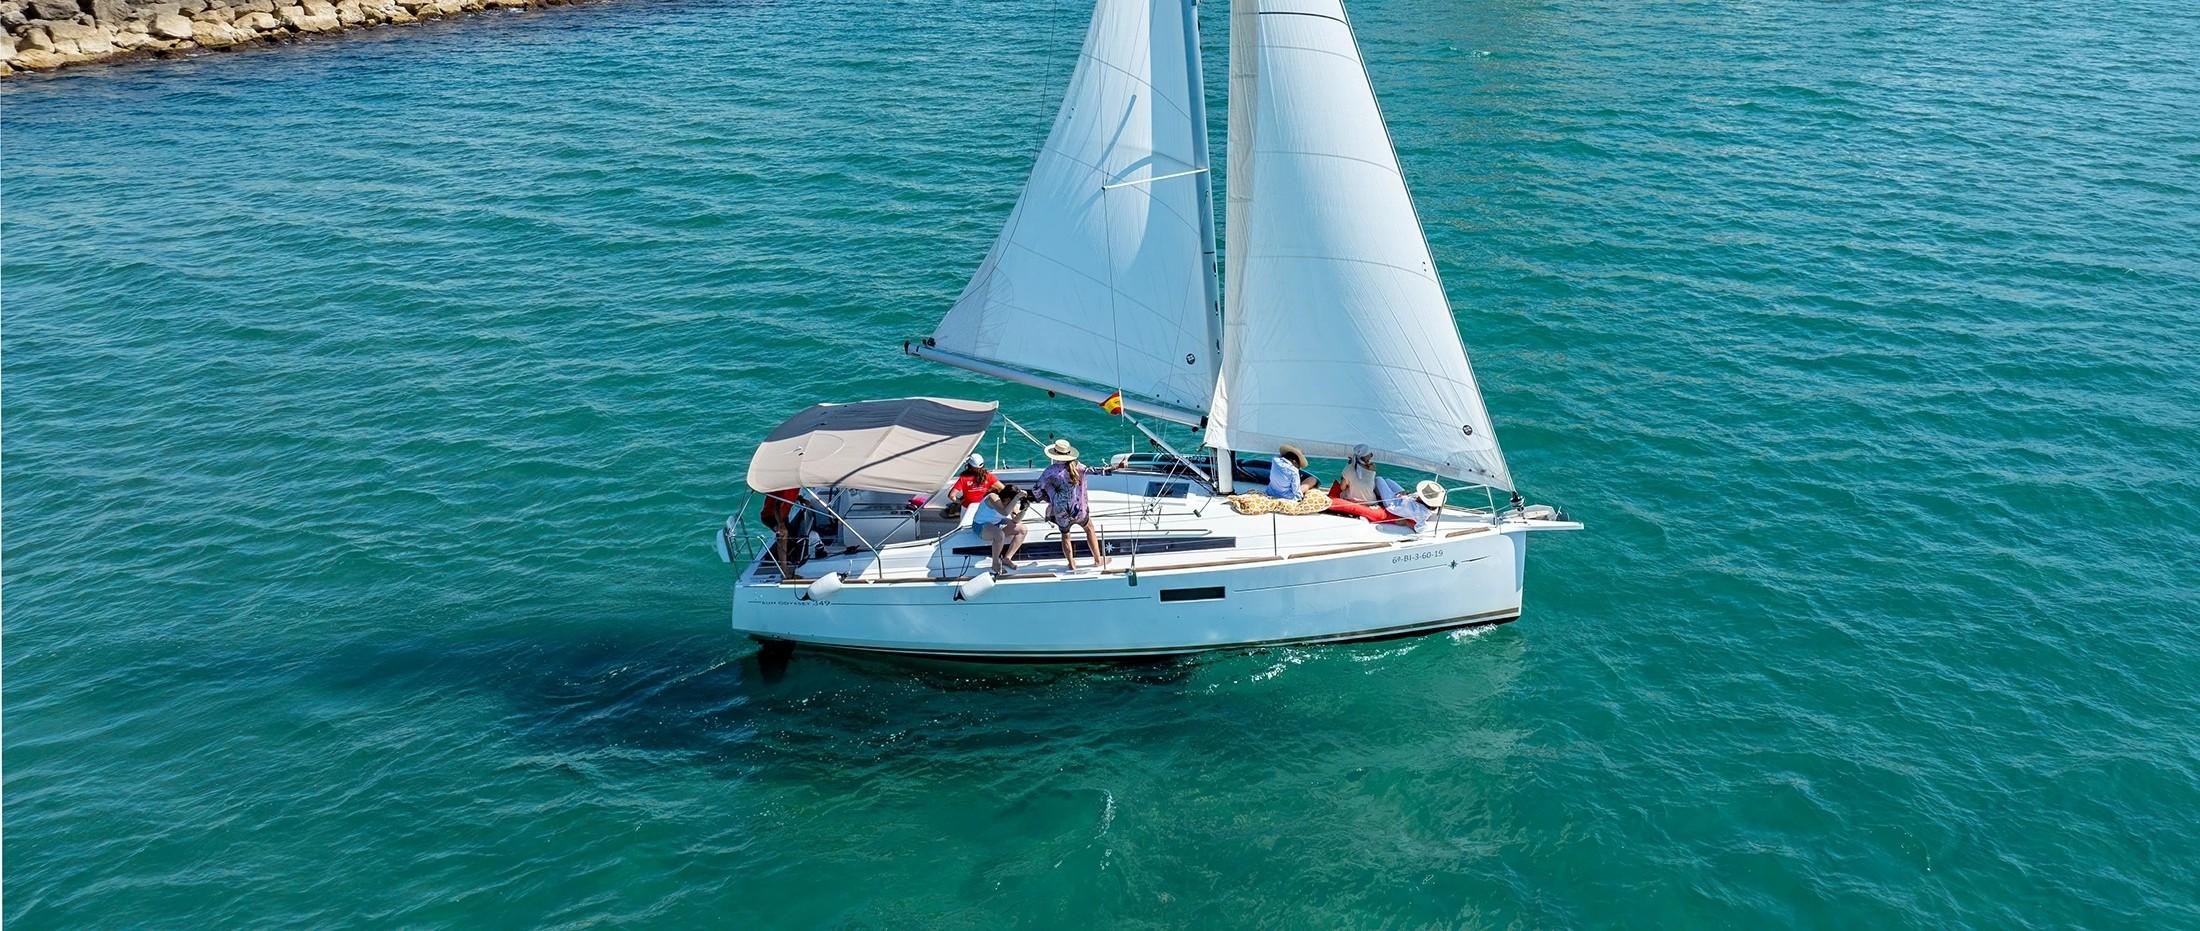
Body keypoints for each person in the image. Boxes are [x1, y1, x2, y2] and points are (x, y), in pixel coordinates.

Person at [1038, 439, 1108, 571]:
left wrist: (1047, 499)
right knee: (1089, 529)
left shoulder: (1049, 471)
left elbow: (1037, 489)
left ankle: (1071, 564)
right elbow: (1095, 471)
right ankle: (1098, 560)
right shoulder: (1078, 467)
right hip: (1079, 509)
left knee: (1065, 535)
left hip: (1061, 511)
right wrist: (1114, 468)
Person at [971, 483, 1031, 573]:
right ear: (1006, 497)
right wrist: (1017, 497)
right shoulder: (993, 497)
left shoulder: (1012, 503)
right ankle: (995, 563)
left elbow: (1015, 520)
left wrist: (1024, 510)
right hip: (980, 525)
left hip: (996, 523)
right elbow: (1004, 512)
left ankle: (1007, 558)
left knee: (1022, 529)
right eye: (1011, 500)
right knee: (999, 534)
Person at [940, 454, 1001, 520]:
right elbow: (1002, 488)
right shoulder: (989, 476)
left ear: (969, 465)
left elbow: (951, 495)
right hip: (984, 508)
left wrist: (960, 502)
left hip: (967, 508)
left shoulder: (964, 478)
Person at [760, 487, 802, 573]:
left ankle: (783, 556)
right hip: (770, 516)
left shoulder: (796, 486)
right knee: (783, 534)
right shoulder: (786, 487)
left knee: (793, 538)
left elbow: (792, 497)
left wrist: (802, 499)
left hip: (783, 515)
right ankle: (784, 571)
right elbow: (777, 507)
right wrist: (780, 524)